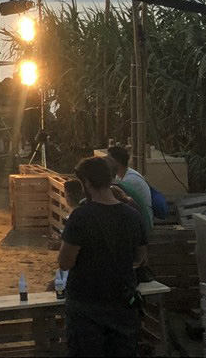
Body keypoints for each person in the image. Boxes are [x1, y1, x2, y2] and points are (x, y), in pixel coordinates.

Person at [59, 156, 147, 356]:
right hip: (123, 304)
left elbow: (65, 262)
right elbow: (141, 258)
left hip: (86, 307)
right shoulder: (133, 216)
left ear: (87, 183)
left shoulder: (80, 217)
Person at [105, 145, 152, 233]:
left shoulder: (130, 180)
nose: (106, 162)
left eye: (108, 159)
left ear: (116, 161)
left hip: (143, 224)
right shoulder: (122, 176)